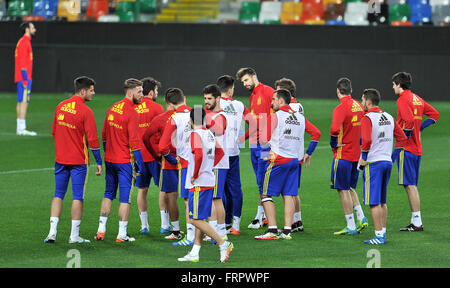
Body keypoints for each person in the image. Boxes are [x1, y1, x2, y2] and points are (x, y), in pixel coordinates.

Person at [44, 76, 103, 244]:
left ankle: (52, 233)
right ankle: (74, 236)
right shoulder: (86, 111)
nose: (93, 93)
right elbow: (92, 141)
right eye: (91, 90)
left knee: (58, 195)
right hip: (78, 162)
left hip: (61, 160)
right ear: (83, 91)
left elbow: (54, 132)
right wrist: (99, 161)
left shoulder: (60, 106)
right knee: (78, 197)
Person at [177, 106, 233, 263]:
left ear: (190, 120)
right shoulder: (209, 133)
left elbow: (199, 154)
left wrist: (195, 174)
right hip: (208, 180)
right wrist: (209, 166)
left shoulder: (195, 135)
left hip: (199, 183)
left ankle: (223, 243)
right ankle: (195, 252)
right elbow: (220, 152)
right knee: (200, 218)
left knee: (195, 219)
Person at [96, 78, 146, 243]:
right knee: (125, 198)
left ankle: (101, 230)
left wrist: (108, 153)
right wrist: (140, 165)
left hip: (110, 160)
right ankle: (121, 234)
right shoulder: (132, 112)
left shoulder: (112, 108)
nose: (142, 95)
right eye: (139, 91)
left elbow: (104, 136)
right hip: (125, 162)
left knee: (108, 194)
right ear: (130, 92)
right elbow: (136, 144)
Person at [254, 89, 308, 240]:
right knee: (289, 194)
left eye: (273, 99)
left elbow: (263, 139)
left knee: (265, 193)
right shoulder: (300, 118)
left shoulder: (276, 116)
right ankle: (287, 231)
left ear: (281, 100)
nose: (271, 102)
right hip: (293, 161)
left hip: (278, 160)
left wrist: (266, 156)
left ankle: (272, 230)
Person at [391, 72, 440, 231]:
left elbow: (410, 121)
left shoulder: (402, 100)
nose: (393, 87)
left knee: (409, 185)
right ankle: (415, 221)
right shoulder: (417, 99)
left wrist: (404, 138)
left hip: (407, 149)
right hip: (417, 148)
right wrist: (421, 128)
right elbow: (434, 114)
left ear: (399, 84)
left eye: (393, 84)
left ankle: (417, 222)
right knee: (412, 185)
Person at [358, 88, 407, 245]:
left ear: (369, 101)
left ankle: (378, 236)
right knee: (382, 201)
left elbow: (366, 141)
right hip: (386, 163)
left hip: (373, 164)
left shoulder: (367, 118)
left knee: (373, 202)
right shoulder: (389, 117)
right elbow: (403, 138)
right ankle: (382, 233)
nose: (361, 103)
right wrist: (392, 158)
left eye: (363, 100)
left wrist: (363, 158)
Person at [274, 78, 321, 233]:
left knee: (287, 192)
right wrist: (308, 152)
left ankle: (292, 223)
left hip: (285, 154)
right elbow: (314, 132)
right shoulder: (298, 106)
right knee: (292, 191)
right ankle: (297, 221)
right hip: (297, 154)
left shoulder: (286, 109)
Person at [236, 67, 274, 229]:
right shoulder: (253, 96)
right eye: (242, 82)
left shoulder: (268, 91)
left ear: (254, 76)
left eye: (246, 80)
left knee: (263, 180)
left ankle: (260, 217)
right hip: (254, 143)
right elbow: (253, 122)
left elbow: (274, 117)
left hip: (265, 144)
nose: (244, 84)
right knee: (260, 180)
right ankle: (262, 216)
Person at [330, 77, 368, 236]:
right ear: (351, 91)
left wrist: (333, 143)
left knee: (342, 189)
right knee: (350, 187)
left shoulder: (340, 108)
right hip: (356, 155)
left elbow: (333, 129)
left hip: (343, 155)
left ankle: (351, 225)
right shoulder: (359, 106)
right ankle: (361, 216)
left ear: (338, 91)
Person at [142, 90, 181, 238]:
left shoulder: (160, 119)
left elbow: (146, 137)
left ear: (166, 101)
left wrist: (155, 154)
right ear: (182, 99)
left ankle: (175, 230)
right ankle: (196, 230)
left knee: (171, 195)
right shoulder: (192, 113)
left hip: (168, 161)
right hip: (187, 161)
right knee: (193, 195)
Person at [159, 88, 195, 244]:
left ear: (169, 104)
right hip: (203, 163)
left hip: (186, 164)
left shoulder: (175, 118)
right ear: (184, 98)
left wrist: (171, 159)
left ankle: (191, 237)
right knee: (204, 198)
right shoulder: (197, 112)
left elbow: (162, 146)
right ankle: (209, 232)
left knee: (188, 200)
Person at [216, 75, 249, 235]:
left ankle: (222, 224)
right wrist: (242, 138)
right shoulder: (240, 105)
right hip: (234, 153)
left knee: (219, 190)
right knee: (235, 189)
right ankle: (235, 224)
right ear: (230, 89)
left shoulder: (213, 103)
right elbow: (256, 123)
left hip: (217, 154)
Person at [135, 77, 164, 235]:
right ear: (151, 92)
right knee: (163, 189)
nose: (157, 93)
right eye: (157, 91)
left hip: (139, 156)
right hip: (156, 155)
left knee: (141, 190)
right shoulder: (157, 107)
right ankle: (164, 224)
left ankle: (144, 225)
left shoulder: (134, 108)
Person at [203, 84, 229, 241]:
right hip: (212, 162)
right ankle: (220, 232)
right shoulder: (207, 113)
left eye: (209, 98)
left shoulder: (221, 116)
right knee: (215, 198)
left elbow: (218, 130)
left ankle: (218, 232)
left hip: (218, 163)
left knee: (215, 198)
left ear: (218, 98)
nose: (206, 101)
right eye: (205, 98)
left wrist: (201, 123)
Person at [15, 21, 37, 136]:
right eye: (33, 27)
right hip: (24, 78)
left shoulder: (23, 42)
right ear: (27, 29)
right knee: (24, 102)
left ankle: (19, 128)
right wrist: (25, 79)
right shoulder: (25, 43)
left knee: (20, 101)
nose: (35, 29)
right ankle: (22, 129)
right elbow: (23, 63)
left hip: (21, 77)